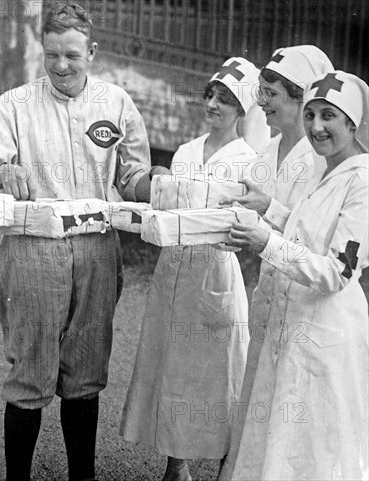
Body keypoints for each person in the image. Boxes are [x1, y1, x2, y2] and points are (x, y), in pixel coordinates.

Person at [0, 4, 157, 480]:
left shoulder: (117, 103)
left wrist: (155, 181)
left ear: (92, 51)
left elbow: (132, 175)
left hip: (97, 247)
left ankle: (82, 475)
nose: (61, 66)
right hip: (32, 249)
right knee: (31, 371)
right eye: (51, 56)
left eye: (72, 55)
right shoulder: (14, 104)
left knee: (85, 371)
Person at [120, 57, 263, 481]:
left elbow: (252, 224)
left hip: (214, 274)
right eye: (212, 95)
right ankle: (175, 465)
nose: (214, 104)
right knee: (172, 368)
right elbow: (161, 202)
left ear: (242, 109)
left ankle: (226, 461)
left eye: (226, 99)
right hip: (173, 272)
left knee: (219, 373)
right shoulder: (185, 151)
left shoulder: (248, 161)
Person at [226, 71, 368, 480]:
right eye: (311, 114)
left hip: (329, 337)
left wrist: (264, 243)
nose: (316, 126)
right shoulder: (325, 169)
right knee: (283, 448)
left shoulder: (363, 181)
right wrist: (269, 207)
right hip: (298, 329)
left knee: (314, 454)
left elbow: (337, 271)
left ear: (352, 123)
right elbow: (309, 237)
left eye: (329, 116)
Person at [217, 45, 334, 480]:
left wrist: (267, 220)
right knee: (257, 406)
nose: (260, 102)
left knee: (293, 417)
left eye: (271, 94)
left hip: (306, 304)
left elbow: (316, 245)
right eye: (261, 92)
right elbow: (253, 217)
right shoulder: (265, 152)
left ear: (301, 97)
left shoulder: (325, 162)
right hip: (268, 296)